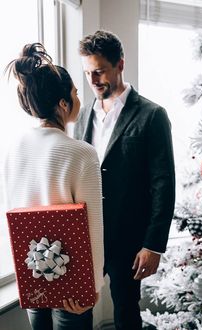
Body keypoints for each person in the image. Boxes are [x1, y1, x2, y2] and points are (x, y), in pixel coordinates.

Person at [74, 30, 176, 330]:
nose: (93, 81)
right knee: (78, 312)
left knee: (127, 314)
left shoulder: (152, 115)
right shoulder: (82, 117)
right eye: (87, 73)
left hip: (129, 239)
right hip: (88, 235)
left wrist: (153, 245)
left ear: (120, 64)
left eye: (99, 71)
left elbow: (163, 184)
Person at [3, 43, 104, 330]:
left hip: (32, 273)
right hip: (71, 279)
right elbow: (92, 226)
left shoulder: (13, 149)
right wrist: (92, 286)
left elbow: (13, 216)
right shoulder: (81, 153)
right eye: (74, 94)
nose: (78, 99)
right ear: (63, 104)